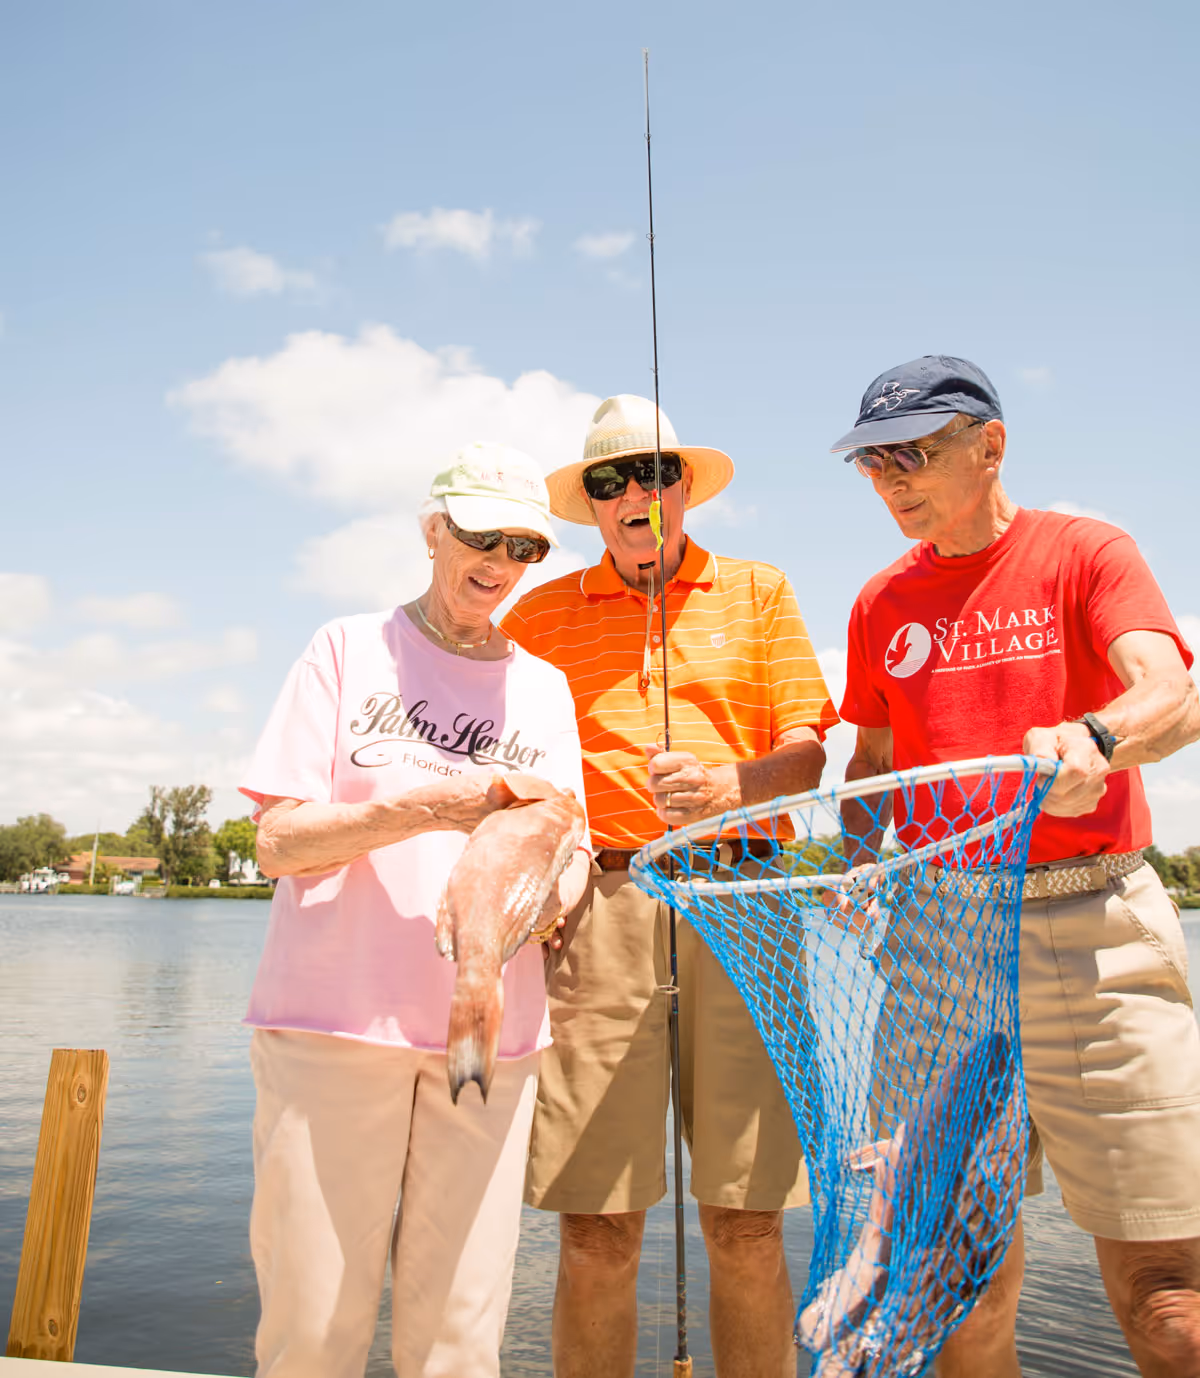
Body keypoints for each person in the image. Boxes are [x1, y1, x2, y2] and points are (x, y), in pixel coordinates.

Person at [831, 355, 1200, 1378]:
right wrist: (863, 861)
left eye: (914, 452)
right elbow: (870, 764)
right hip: (938, 946)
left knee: (1168, 1296)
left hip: (1097, 931)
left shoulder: (1086, 549)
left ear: (990, 444)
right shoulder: (877, 604)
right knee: (958, 1279)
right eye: (873, 462)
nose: (892, 479)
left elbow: (1169, 689)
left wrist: (1096, 739)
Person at [502, 394, 839, 1378]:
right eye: (608, 482)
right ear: (591, 505)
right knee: (596, 1227)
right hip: (597, 911)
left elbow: (811, 750)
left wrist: (737, 785)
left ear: (684, 485)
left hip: (747, 904)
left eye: (651, 473)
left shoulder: (760, 589)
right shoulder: (539, 616)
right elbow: (504, 764)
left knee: (747, 1221)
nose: (632, 496)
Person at [240, 443, 593, 1378]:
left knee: (461, 1335)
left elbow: (571, 851)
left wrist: (555, 891)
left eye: (527, 547)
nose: (502, 562)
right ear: (433, 529)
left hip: (492, 1035)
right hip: (334, 1023)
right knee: (314, 1323)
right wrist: (425, 810)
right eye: (482, 536)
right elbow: (275, 841)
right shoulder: (345, 648)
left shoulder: (546, 688)